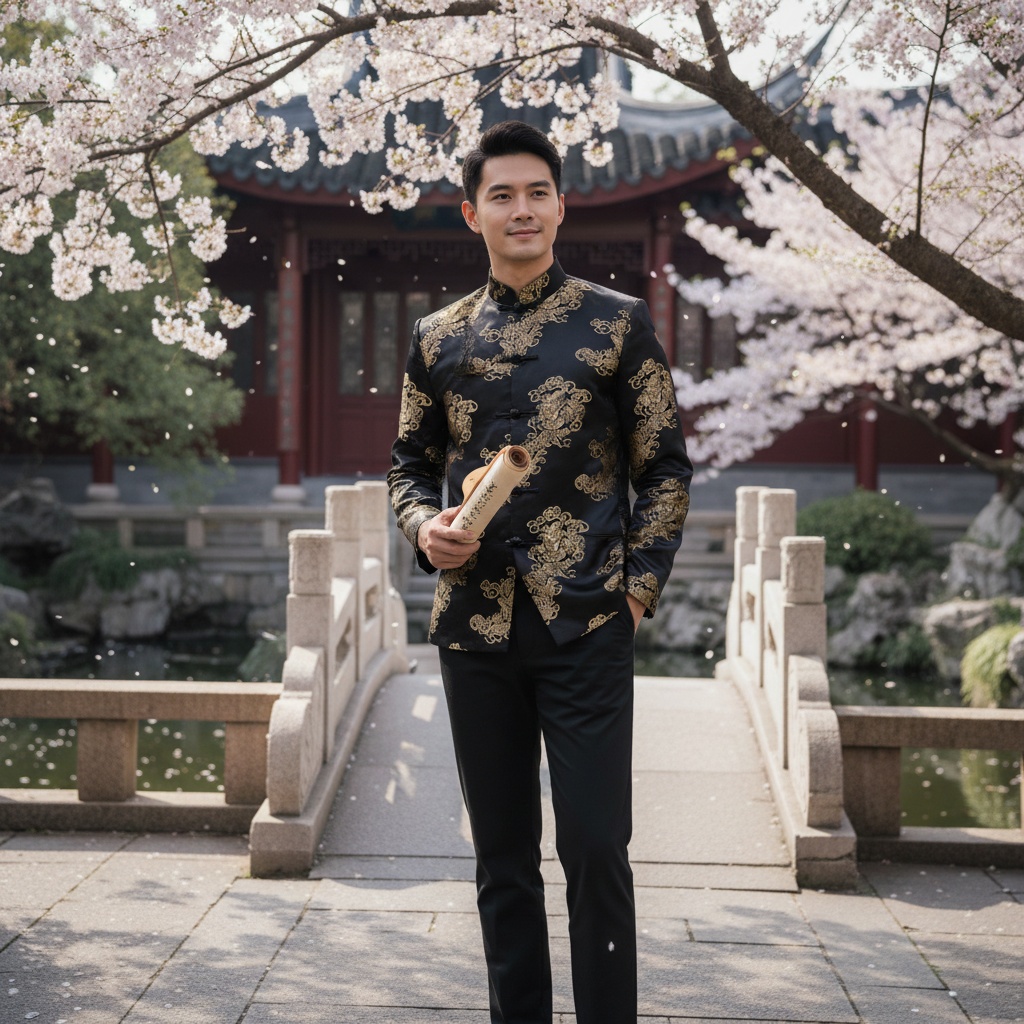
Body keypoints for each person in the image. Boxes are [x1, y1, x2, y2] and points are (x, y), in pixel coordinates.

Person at [388, 119, 692, 1024]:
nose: (521, 209)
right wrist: (422, 526)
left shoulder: (618, 324)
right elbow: (407, 466)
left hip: (588, 621)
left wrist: (636, 591)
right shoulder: (436, 337)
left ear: (561, 204)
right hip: (474, 626)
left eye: (536, 192)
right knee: (503, 857)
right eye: (501, 195)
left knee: (598, 847)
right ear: (472, 213)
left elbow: (665, 469)